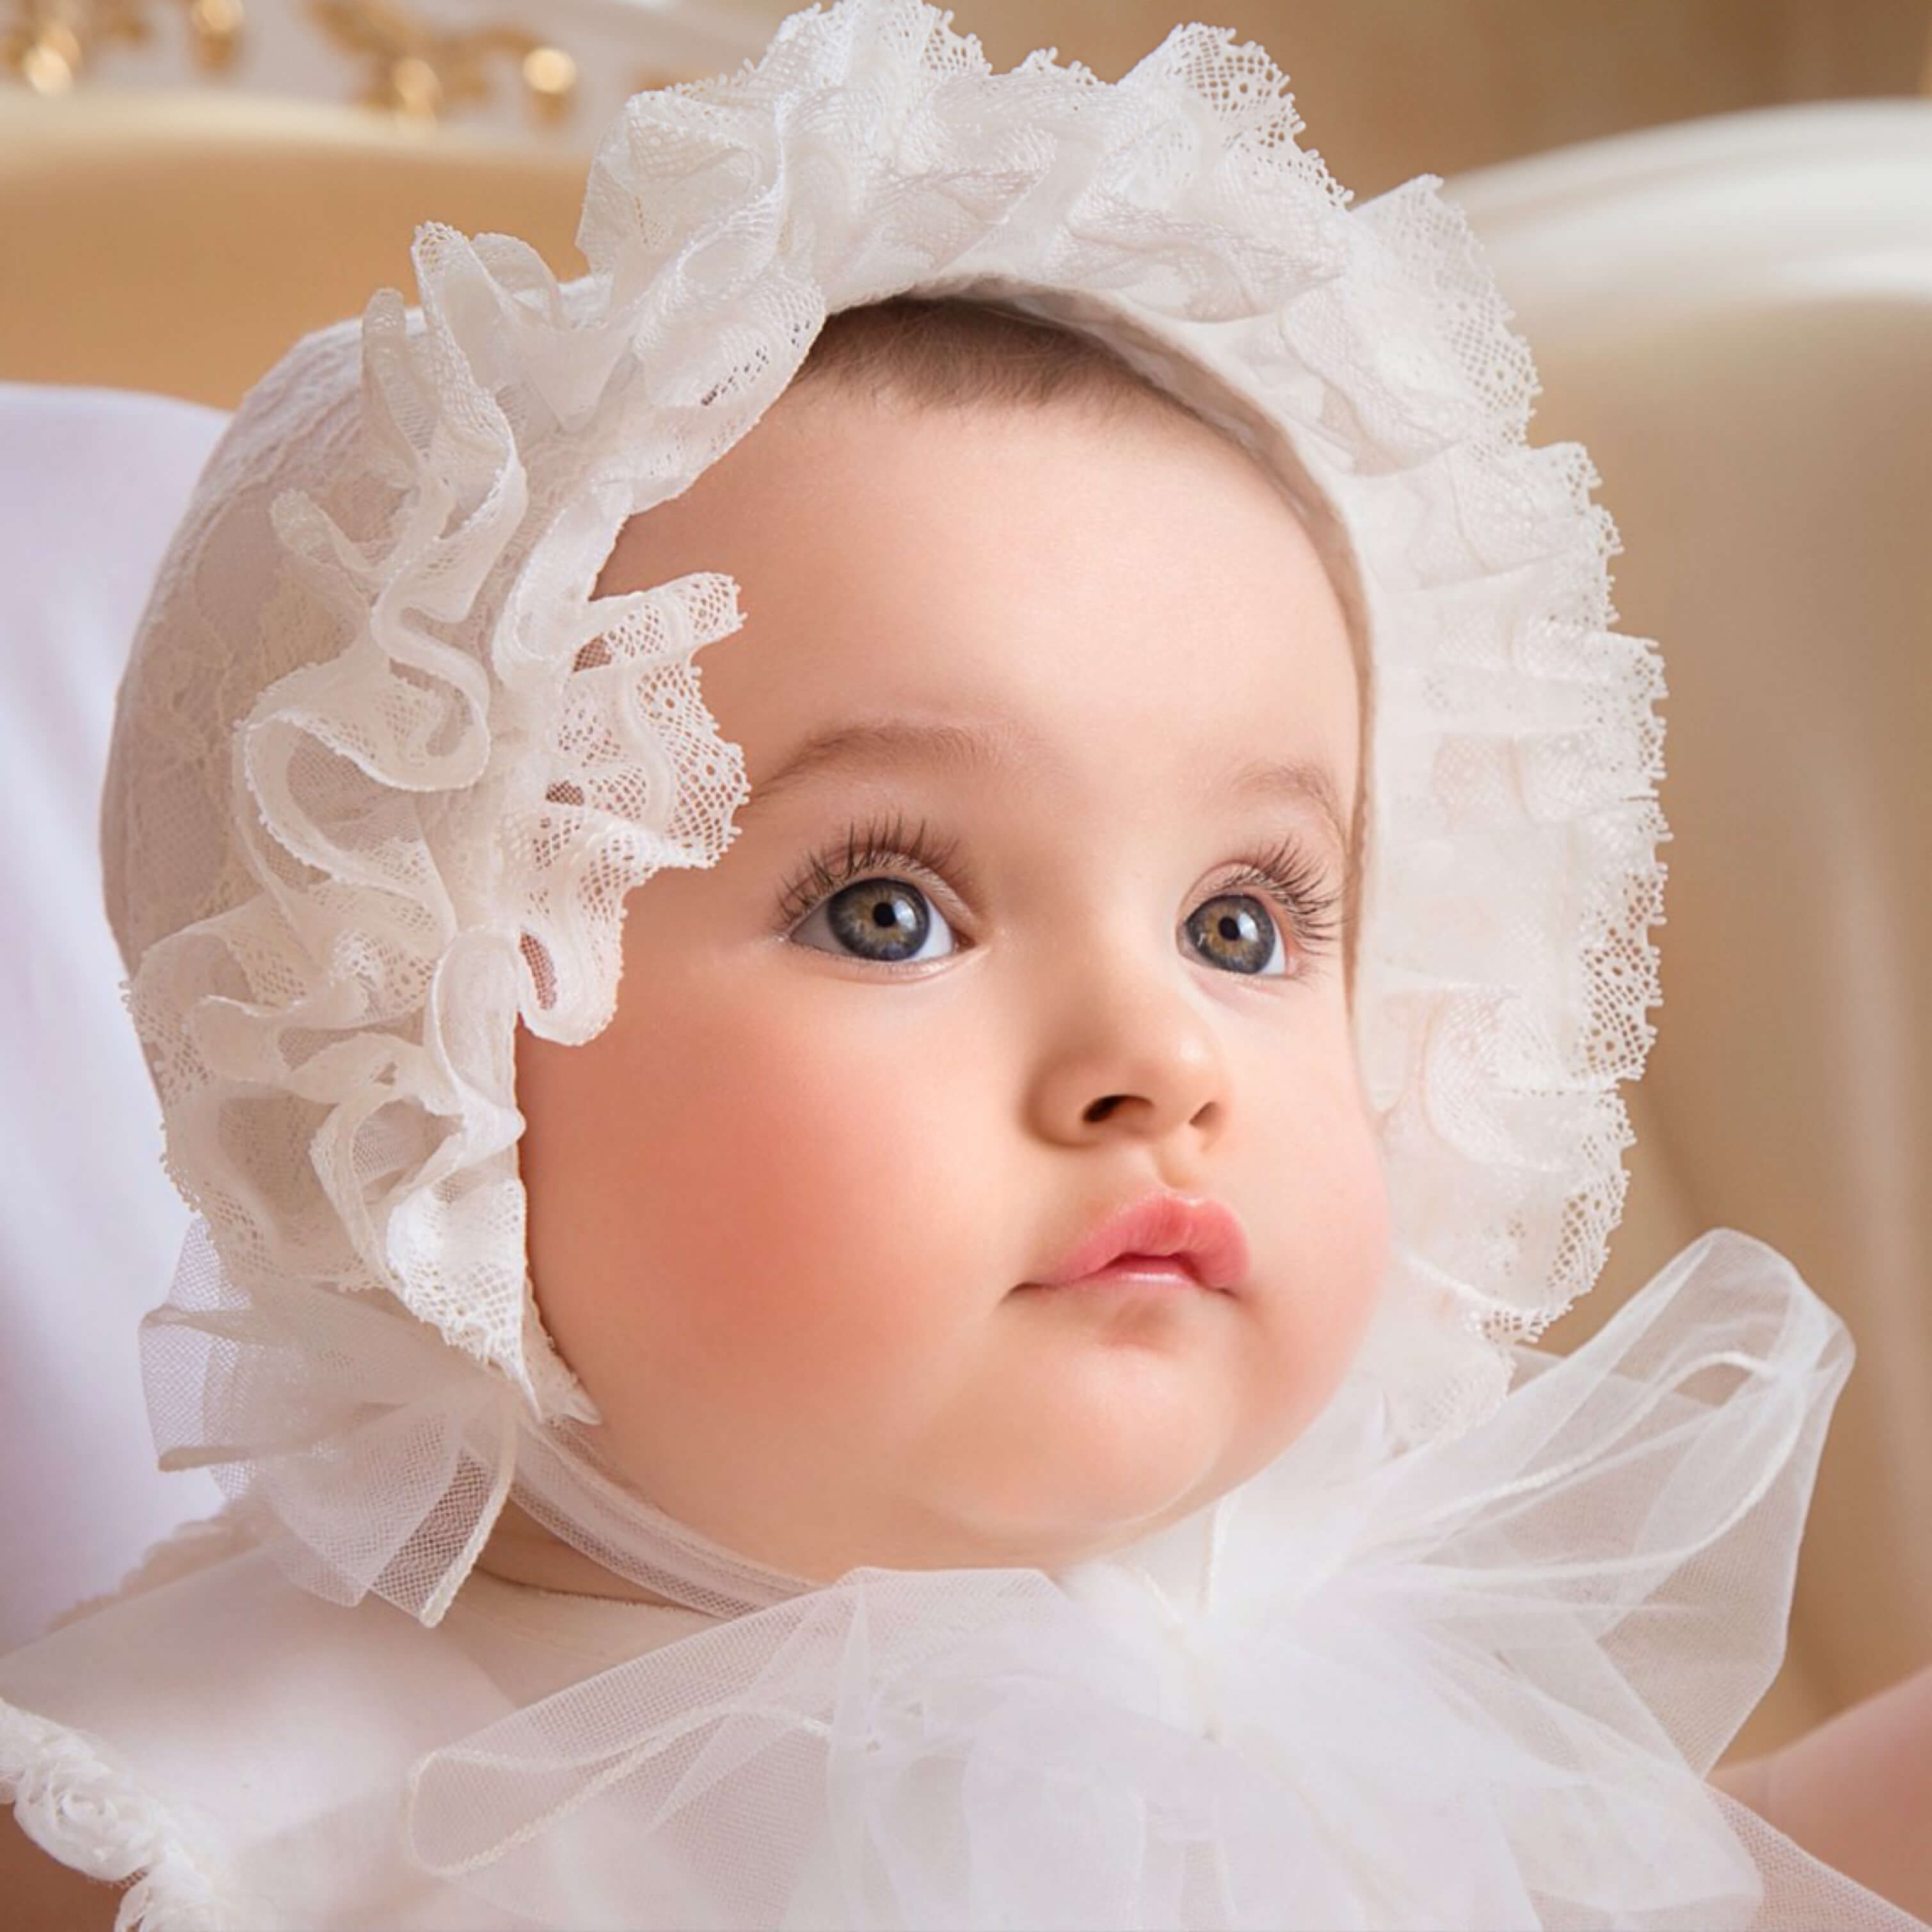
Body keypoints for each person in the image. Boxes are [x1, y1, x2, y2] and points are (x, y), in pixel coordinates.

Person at [2, 3, 1927, 1926]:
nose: (1156, 1055)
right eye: (885, 909)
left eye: (1241, 921)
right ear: (419, 1038)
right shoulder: (219, 1812)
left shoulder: (1323, 1714)